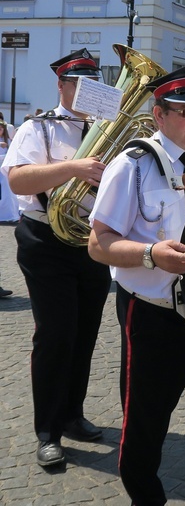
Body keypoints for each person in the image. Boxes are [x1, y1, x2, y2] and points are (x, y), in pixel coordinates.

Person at [87, 63, 185, 505]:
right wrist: (150, 254)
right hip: (155, 317)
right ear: (159, 115)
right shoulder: (131, 166)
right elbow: (99, 245)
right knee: (144, 426)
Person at [2, 48, 111, 466]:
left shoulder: (108, 128)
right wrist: (74, 168)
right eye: (78, 85)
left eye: (93, 85)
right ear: (62, 86)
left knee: (84, 333)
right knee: (55, 335)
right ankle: (47, 430)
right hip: (45, 239)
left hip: (90, 240)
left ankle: (72, 415)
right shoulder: (39, 128)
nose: (86, 92)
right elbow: (17, 179)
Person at [0, 119, 19, 223]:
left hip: (4, 171)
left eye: (1, 129)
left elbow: (12, 155)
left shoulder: (9, 141)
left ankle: (10, 213)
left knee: (8, 193)